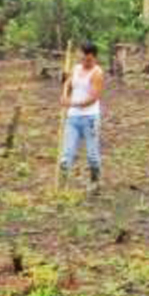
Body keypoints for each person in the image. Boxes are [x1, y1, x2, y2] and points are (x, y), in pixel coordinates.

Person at [59, 42, 106, 192]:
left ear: (94, 57)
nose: (85, 61)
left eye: (89, 59)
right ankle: (63, 185)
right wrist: (65, 92)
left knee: (92, 154)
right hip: (72, 118)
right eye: (83, 58)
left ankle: (95, 181)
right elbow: (68, 83)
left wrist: (71, 103)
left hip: (90, 118)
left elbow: (93, 98)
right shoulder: (77, 68)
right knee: (67, 153)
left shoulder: (97, 73)